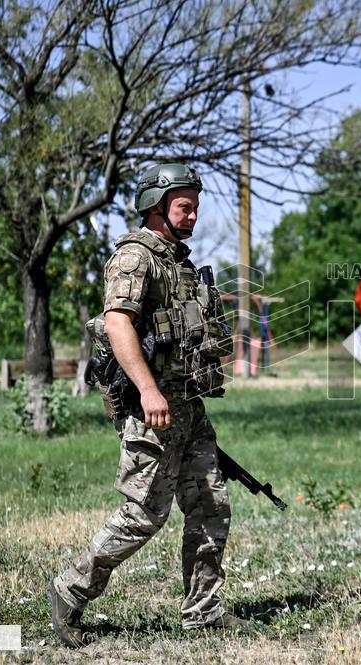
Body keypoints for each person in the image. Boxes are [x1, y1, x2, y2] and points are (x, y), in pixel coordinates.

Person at [48, 163, 251, 647]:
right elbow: (118, 323)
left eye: (195, 206)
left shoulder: (178, 263)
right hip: (154, 408)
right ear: (156, 207)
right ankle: (69, 589)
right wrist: (148, 390)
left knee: (210, 505)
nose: (193, 215)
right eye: (184, 206)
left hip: (188, 407)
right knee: (145, 514)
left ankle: (203, 611)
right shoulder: (135, 258)